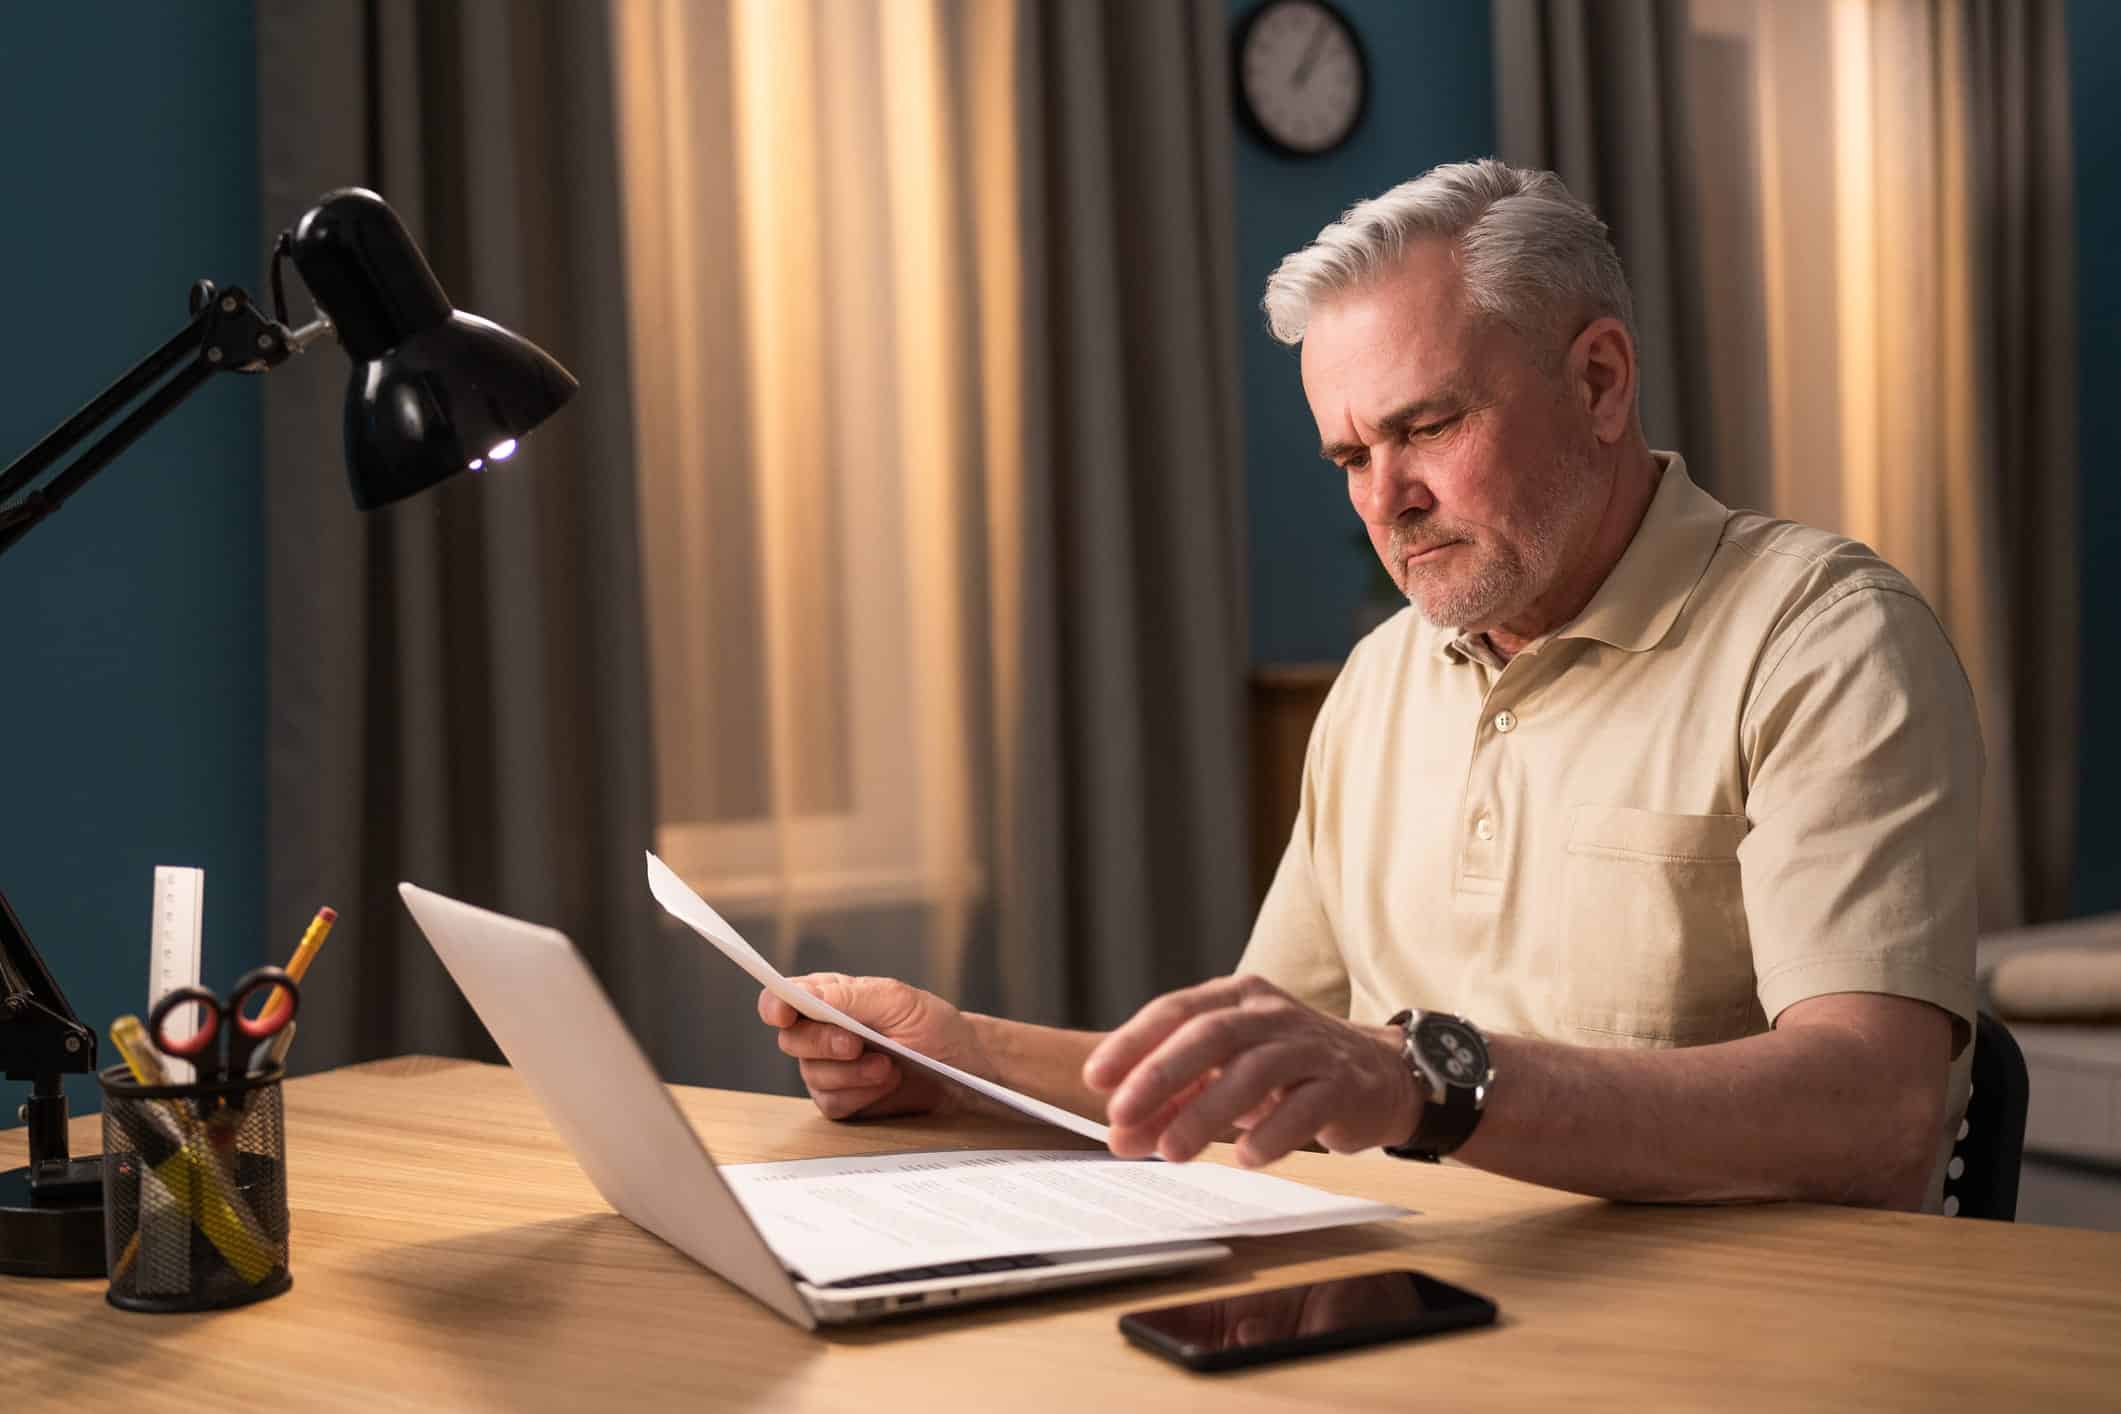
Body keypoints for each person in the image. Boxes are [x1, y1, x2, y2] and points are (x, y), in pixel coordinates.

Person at [756, 159, 1980, 1213]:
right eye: (1351, 453)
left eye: (1430, 426)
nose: (1383, 499)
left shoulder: (1824, 640)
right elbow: (1262, 1073)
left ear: (1601, 381)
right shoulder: (1381, 680)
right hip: (1409, 1311)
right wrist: (959, 1062)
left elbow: (1871, 1111)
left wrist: (1424, 1079)